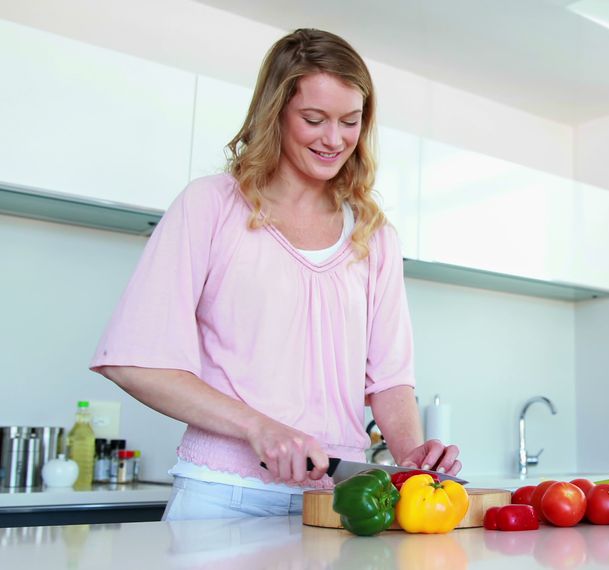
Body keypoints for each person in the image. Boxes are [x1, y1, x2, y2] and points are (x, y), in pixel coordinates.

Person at [90, 28, 460, 520]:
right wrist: (257, 427)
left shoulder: (374, 235)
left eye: (350, 122)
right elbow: (133, 360)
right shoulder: (211, 206)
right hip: (223, 495)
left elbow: (389, 378)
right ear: (276, 114)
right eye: (314, 119)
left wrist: (412, 457)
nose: (335, 139)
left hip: (337, 503)